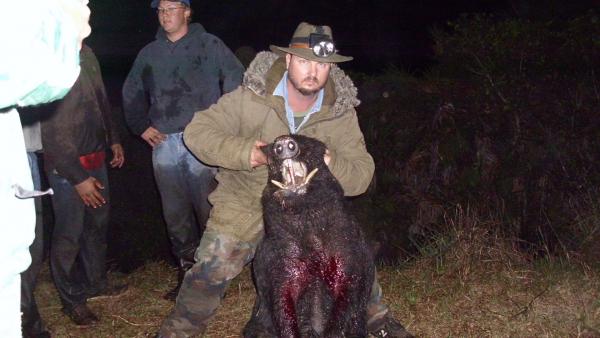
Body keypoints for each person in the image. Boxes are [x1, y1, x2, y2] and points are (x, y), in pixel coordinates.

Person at [157, 22, 414, 338]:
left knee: (348, 252)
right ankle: (179, 330)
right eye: (304, 61)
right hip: (247, 198)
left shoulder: (340, 112)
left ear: (329, 69)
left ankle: (378, 322)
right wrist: (249, 154)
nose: (312, 71)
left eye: (321, 64)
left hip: (314, 205)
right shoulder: (250, 97)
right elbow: (197, 132)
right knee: (213, 266)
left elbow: (362, 175)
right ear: (288, 60)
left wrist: (326, 159)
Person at [122, 0, 244, 301]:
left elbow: (236, 77)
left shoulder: (209, 44)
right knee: (175, 216)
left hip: (202, 142)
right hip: (164, 145)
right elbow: (131, 91)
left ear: (187, 11)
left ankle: (213, 277)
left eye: (171, 8)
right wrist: (140, 125)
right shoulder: (149, 53)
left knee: (209, 210)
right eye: (161, 10)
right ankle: (187, 275)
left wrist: (224, 122)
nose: (165, 15)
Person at [0, 0, 91, 336]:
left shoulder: (90, 59)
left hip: (26, 157)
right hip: (37, 160)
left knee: (26, 245)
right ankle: (31, 320)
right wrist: (66, 26)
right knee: (24, 247)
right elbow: (47, 84)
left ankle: (29, 318)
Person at [41, 43, 127, 326]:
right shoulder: (51, 56)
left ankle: (95, 283)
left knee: (96, 225)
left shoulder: (87, 53)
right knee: (69, 233)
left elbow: (100, 98)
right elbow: (51, 129)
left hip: (95, 156)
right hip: (66, 166)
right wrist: (77, 178)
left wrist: (112, 137)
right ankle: (72, 300)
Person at [19, 113, 50, 338]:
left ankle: (27, 320)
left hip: (25, 155)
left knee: (32, 245)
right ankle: (27, 324)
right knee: (17, 246)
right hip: (12, 159)